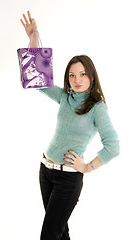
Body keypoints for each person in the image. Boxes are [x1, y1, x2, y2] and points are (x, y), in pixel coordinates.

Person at [20, 10, 120, 240]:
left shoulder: (97, 108)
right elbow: (36, 80)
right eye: (72, 75)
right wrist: (34, 36)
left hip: (68, 179)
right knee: (60, 232)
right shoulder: (65, 97)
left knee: (49, 234)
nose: (76, 80)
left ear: (92, 77)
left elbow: (113, 146)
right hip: (45, 171)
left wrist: (86, 167)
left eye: (82, 74)